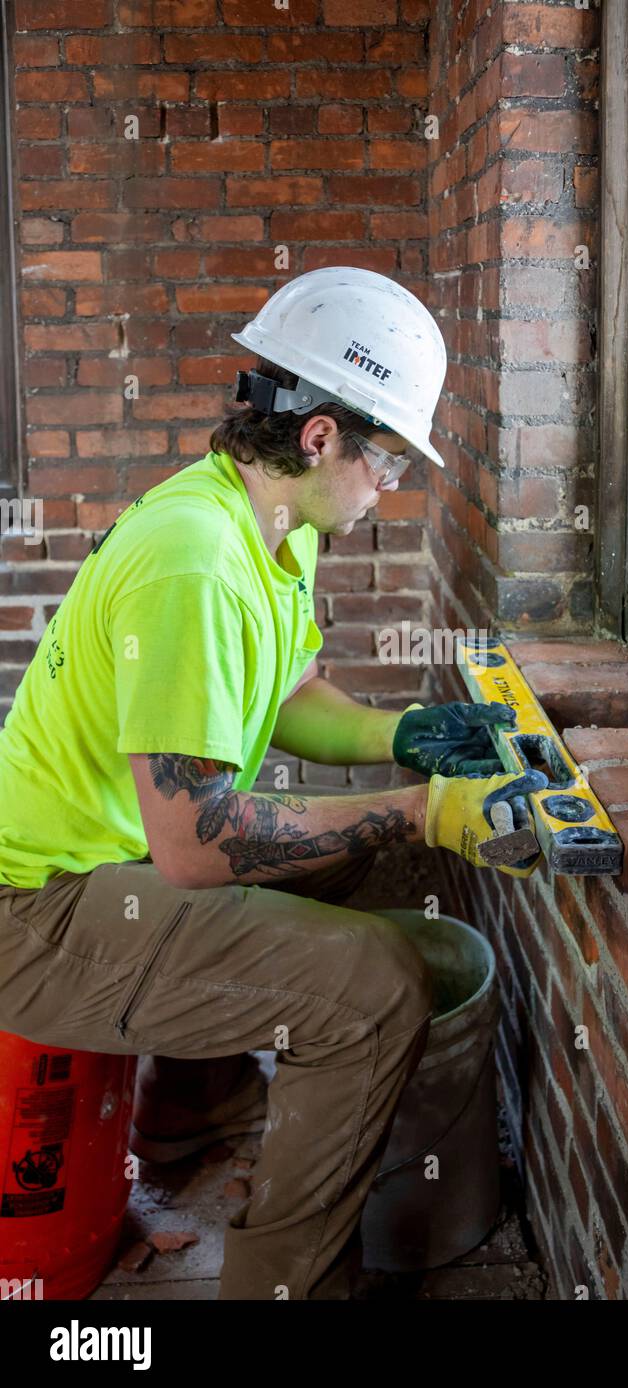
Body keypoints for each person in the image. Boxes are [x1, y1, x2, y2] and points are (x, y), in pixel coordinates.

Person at [0, 265, 544, 1300]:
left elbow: (288, 696)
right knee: (375, 986)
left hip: (108, 870)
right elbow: (198, 845)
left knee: (340, 873)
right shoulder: (195, 560)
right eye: (384, 457)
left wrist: (405, 735)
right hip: (38, 912)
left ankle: (188, 1121)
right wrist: (418, 812)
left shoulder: (264, 533)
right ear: (318, 436)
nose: (391, 485)